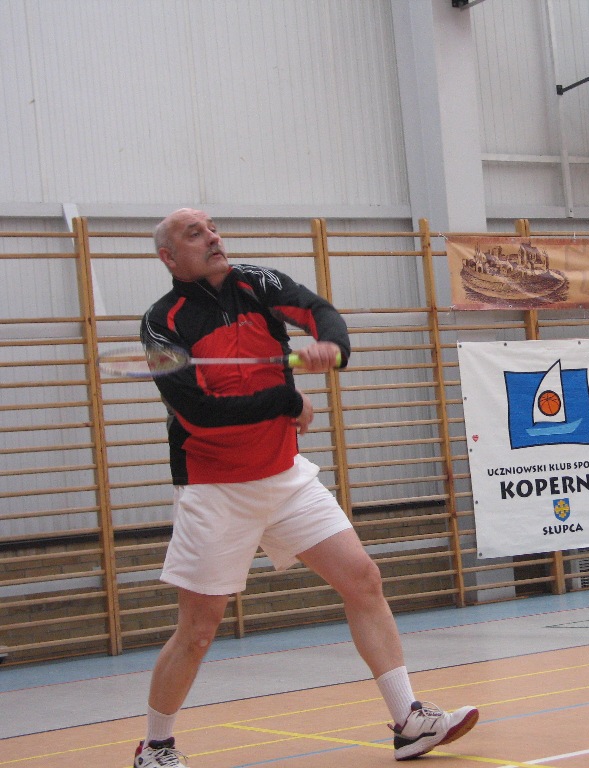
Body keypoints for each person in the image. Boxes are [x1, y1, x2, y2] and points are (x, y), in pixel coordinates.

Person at [133, 208, 478, 767]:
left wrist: (331, 346)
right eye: (195, 234)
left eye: (213, 228)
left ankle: (408, 721)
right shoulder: (160, 325)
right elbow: (197, 413)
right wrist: (287, 400)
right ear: (168, 257)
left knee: (363, 580)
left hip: (284, 477)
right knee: (198, 630)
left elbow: (318, 311)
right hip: (215, 488)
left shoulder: (257, 283)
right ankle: (155, 746)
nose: (213, 238)